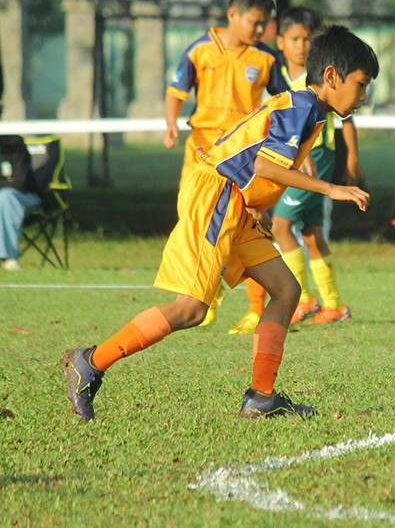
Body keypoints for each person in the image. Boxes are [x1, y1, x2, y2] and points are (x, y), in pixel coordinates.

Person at [60, 25, 377, 422]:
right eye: (362, 84)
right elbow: (264, 163)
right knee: (191, 309)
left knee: (285, 289)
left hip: (237, 201)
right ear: (332, 76)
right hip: (217, 194)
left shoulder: (307, 109)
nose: (364, 96)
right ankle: (89, 363)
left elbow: (257, 160)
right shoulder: (304, 108)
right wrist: (331, 188)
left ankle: (261, 397)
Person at [163, 0, 288, 327]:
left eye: (265, 24)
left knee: (252, 223)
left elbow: (284, 104)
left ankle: (254, 310)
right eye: (256, 22)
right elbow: (176, 91)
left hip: (244, 158)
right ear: (233, 15)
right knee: (199, 225)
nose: (261, 30)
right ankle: (203, 296)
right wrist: (171, 123)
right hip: (203, 158)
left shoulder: (265, 58)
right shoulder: (200, 50)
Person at [235, 6, 357, 332]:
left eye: (307, 39)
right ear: (281, 41)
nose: (301, 46)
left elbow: (346, 121)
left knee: (281, 226)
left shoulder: (323, 80)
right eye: (295, 39)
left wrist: (351, 159)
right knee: (312, 233)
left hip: (315, 159)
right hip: (298, 160)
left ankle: (302, 299)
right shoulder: (281, 79)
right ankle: (333, 304)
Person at [0, 135, 42, 271]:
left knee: (6, 196)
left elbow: (20, 183)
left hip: (24, 197)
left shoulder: (15, 144)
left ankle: (9, 257)